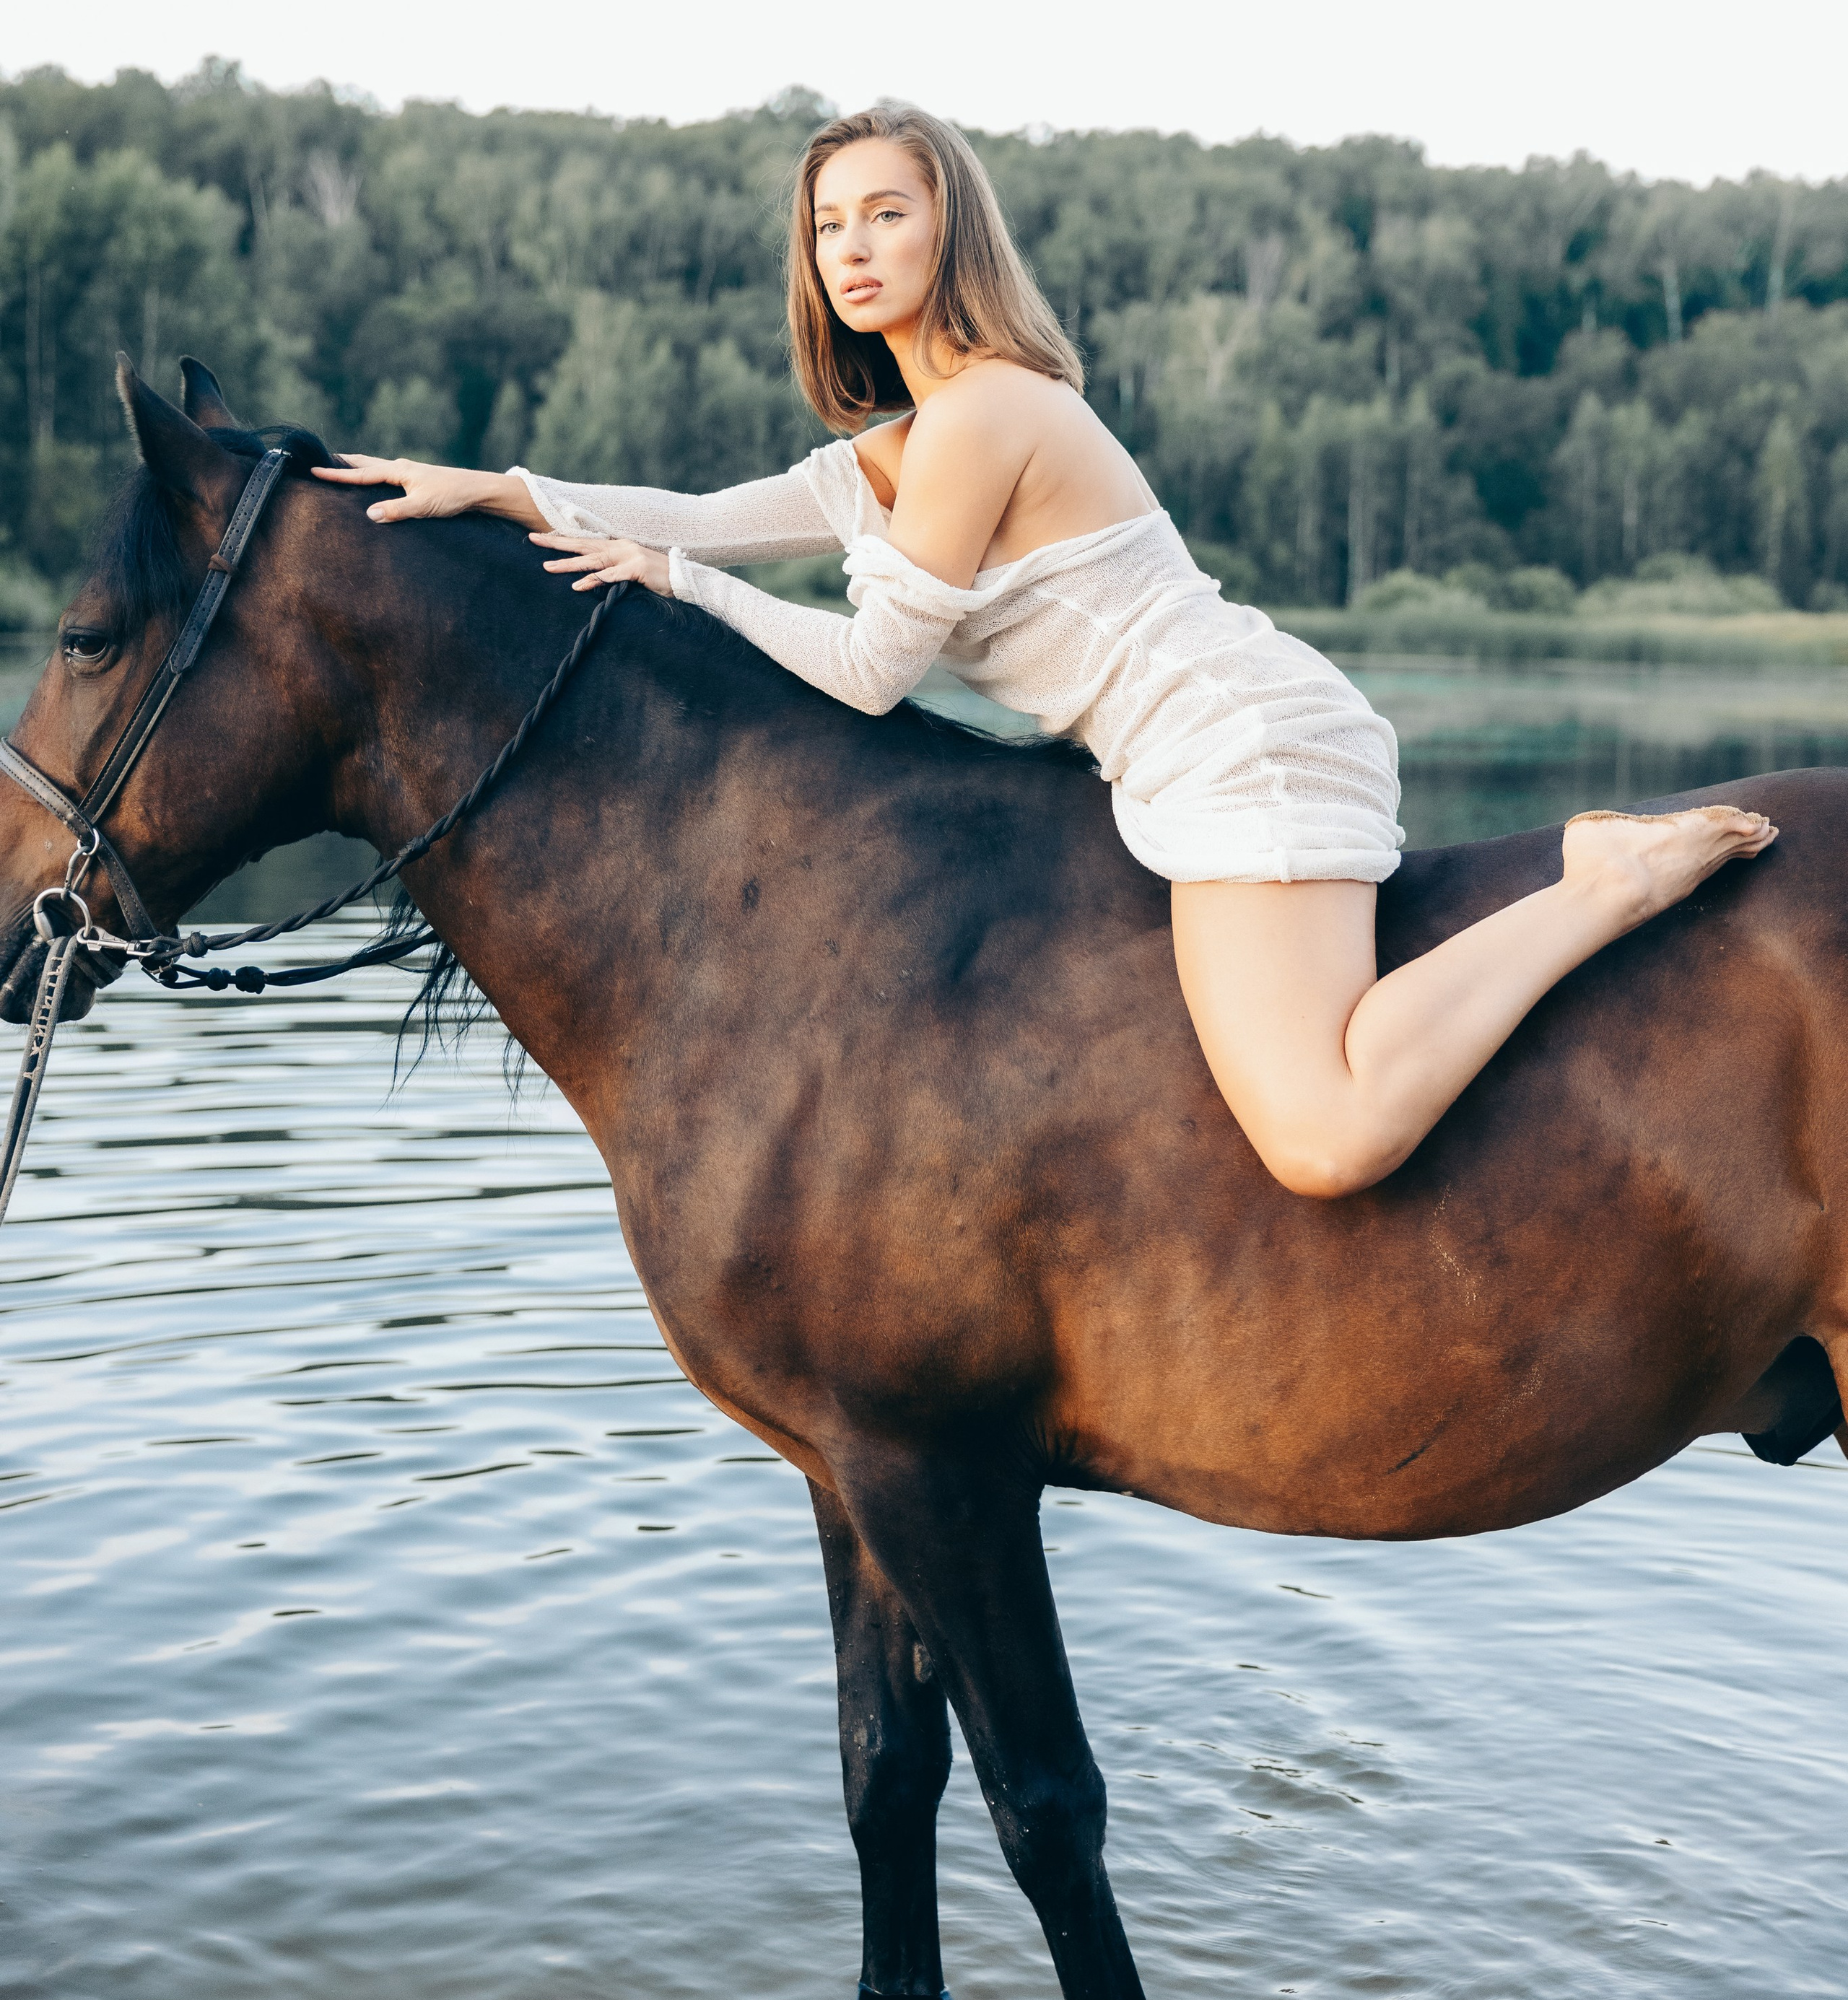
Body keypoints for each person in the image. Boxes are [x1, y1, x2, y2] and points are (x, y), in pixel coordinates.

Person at [316, 105, 1776, 1200]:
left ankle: (1602, 888)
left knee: (1324, 1137)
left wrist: (679, 589)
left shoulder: (985, 414)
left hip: (1231, 742)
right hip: (1185, 753)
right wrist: (492, 492)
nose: (854, 249)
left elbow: (873, 669)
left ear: (951, 230)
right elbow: (697, 513)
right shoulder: (898, 442)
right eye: (830, 227)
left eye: (886, 213)